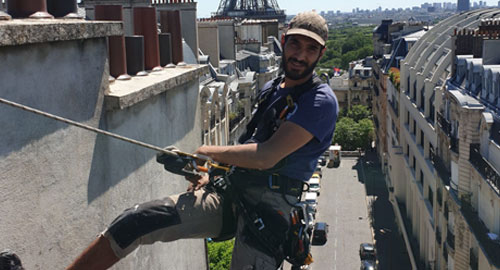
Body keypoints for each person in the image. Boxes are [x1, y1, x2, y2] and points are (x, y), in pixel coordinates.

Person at [66, 11, 338, 270]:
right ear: (283, 42)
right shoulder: (271, 89)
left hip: (271, 209)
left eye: (310, 49)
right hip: (232, 192)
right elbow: (248, 146)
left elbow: (265, 156)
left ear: (321, 54)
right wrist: (209, 173)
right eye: (295, 44)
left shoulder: (320, 101)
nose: (300, 55)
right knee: (136, 221)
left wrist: (207, 152)